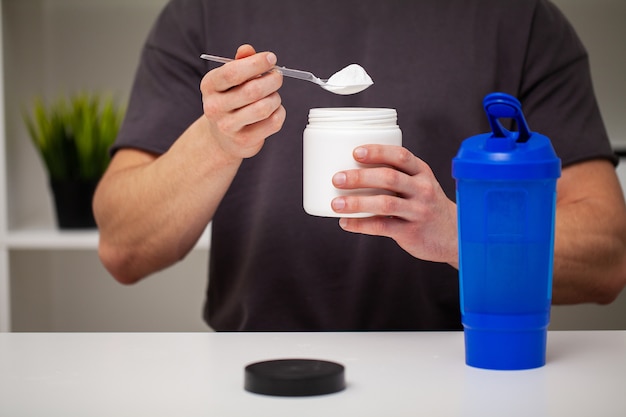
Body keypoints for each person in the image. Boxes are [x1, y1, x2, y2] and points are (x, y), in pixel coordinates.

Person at [93, 0, 626, 331]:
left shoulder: (519, 18)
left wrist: (457, 232)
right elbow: (124, 247)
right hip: (254, 373)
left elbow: (607, 258)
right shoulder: (204, 10)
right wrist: (216, 141)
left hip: (459, 372)